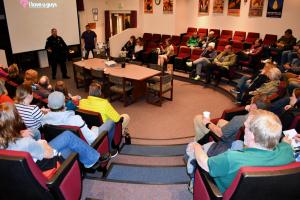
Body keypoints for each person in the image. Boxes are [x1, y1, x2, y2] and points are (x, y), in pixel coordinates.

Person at [189, 109, 295, 193]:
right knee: (237, 144)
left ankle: (194, 183)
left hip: (221, 191)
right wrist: (286, 141)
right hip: (259, 193)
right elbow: (286, 143)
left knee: (192, 151)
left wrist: (196, 145)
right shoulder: (287, 151)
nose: (244, 130)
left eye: (246, 128)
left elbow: (204, 163)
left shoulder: (232, 158)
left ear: (253, 135)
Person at [0, 102, 110, 171]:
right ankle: (91, 161)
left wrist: (18, 134)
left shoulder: (6, 138)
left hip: (27, 164)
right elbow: (49, 154)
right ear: (15, 121)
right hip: (46, 164)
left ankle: (90, 159)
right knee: (71, 144)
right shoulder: (26, 143)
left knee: (68, 136)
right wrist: (42, 143)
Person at [43, 91, 118, 157]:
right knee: (110, 122)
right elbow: (93, 139)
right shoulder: (75, 119)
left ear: (49, 105)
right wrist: (94, 129)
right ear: (64, 104)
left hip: (67, 150)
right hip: (87, 147)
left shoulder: (44, 120)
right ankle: (110, 149)